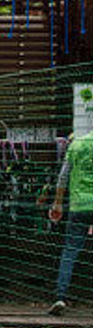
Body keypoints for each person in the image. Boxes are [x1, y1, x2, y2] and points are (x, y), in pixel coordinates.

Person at [47, 128, 93, 314]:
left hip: (78, 205)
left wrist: (57, 204)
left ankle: (60, 296)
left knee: (70, 251)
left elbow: (63, 177)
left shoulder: (77, 144)